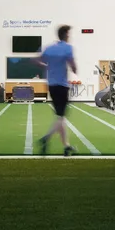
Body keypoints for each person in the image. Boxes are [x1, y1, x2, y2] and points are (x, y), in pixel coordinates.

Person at [36, 25, 77, 156]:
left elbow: (36, 60)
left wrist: (48, 66)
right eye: (69, 34)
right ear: (65, 35)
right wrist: (73, 68)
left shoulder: (49, 48)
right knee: (60, 116)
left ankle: (67, 146)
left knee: (60, 117)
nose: (69, 37)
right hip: (62, 85)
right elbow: (74, 66)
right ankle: (45, 138)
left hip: (51, 85)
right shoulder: (67, 48)